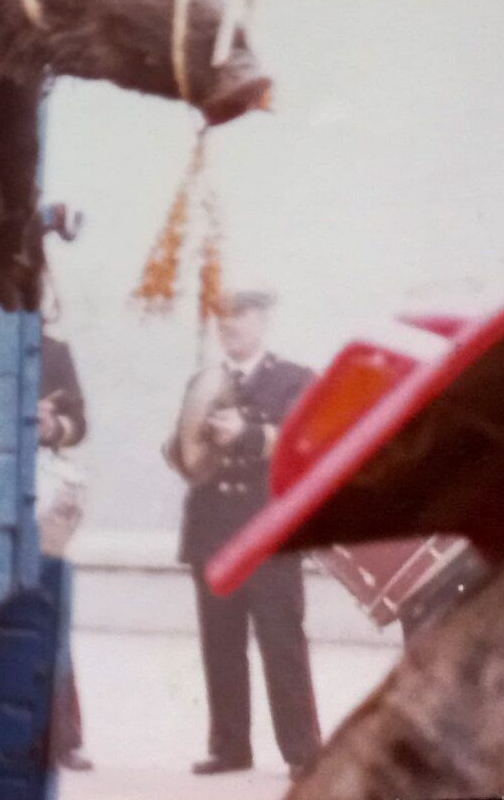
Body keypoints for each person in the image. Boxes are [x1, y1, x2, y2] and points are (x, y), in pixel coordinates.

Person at [161, 289, 321, 779]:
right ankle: (230, 746)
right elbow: (184, 454)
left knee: (282, 641)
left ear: (263, 320)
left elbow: (305, 440)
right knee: (220, 642)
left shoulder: (295, 379)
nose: (228, 326)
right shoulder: (203, 381)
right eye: (221, 318)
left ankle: (303, 751)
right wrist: (184, 444)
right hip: (213, 530)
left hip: (267, 530)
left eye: (239, 316)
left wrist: (248, 435)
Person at [35, 325, 92, 772]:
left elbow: (79, 425)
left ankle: (64, 736)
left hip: (37, 493)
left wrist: (54, 426)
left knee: (45, 606)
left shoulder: (54, 349)